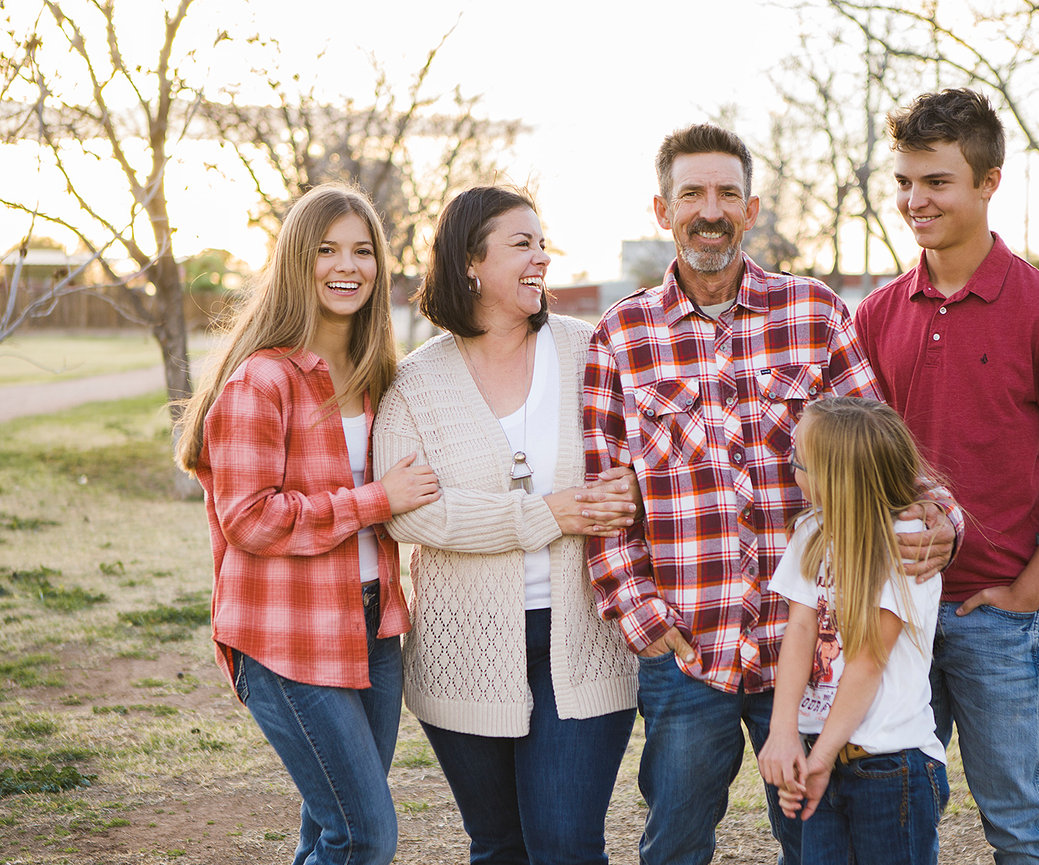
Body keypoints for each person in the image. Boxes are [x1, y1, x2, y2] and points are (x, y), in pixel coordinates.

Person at [583, 123, 963, 865]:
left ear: (752, 208)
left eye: (728, 192)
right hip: (692, 646)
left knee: (817, 834)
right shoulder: (620, 336)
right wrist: (642, 614)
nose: (710, 209)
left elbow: (876, 450)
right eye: (691, 192)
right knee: (676, 842)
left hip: (811, 647)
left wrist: (942, 517)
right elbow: (607, 503)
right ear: (663, 210)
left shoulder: (814, 314)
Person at [855, 88, 1039, 865]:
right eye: (904, 181)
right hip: (899, 607)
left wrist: (1032, 588)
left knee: (1018, 825)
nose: (914, 200)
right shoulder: (875, 313)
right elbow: (865, 459)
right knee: (900, 817)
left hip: (998, 614)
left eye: (935, 181)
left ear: (987, 182)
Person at [372, 186, 640, 865]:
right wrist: (547, 514)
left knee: (565, 845)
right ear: (470, 262)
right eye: (522, 244)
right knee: (497, 846)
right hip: (462, 641)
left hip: (583, 635)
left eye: (542, 243)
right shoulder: (415, 382)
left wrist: (627, 488)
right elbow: (410, 511)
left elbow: (642, 461)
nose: (541, 258)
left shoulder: (593, 351)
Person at [175, 182, 441, 865]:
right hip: (285, 637)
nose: (345, 265)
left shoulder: (378, 375)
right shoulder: (261, 380)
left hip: (372, 625)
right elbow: (249, 518)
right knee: (364, 834)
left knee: (330, 830)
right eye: (326, 250)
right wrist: (376, 499)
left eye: (361, 250)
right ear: (298, 261)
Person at [758, 397, 948, 865]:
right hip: (816, 753)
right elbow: (800, 630)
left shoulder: (905, 547)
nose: (792, 469)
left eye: (798, 461)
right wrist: (784, 732)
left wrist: (821, 758)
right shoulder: (813, 531)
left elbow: (866, 662)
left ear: (836, 477)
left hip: (890, 765)